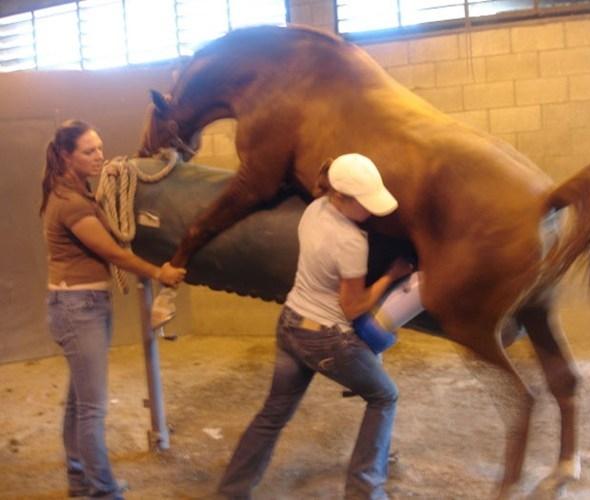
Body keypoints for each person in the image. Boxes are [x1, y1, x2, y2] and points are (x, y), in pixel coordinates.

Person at [218, 153, 413, 499]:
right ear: (341, 196)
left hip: (291, 322)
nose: (369, 211)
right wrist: (390, 277)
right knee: (385, 396)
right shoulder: (351, 241)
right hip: (325, 339)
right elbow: (352, 307)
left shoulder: (315, 209)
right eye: (364, 204)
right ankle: (365, 491)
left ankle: (230, 492)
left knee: (273, 414)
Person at [40, 119, 186, 499]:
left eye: (100, 147)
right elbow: (113, 252)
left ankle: (80, 483)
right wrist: (160, 272)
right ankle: (103, 492)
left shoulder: (76, 191)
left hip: (82, 304)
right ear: (66, 156)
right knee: (92, 410)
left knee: (79, 403)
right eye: (89, 151)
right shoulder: (70, 202)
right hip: (78, 308)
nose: (99, 156)